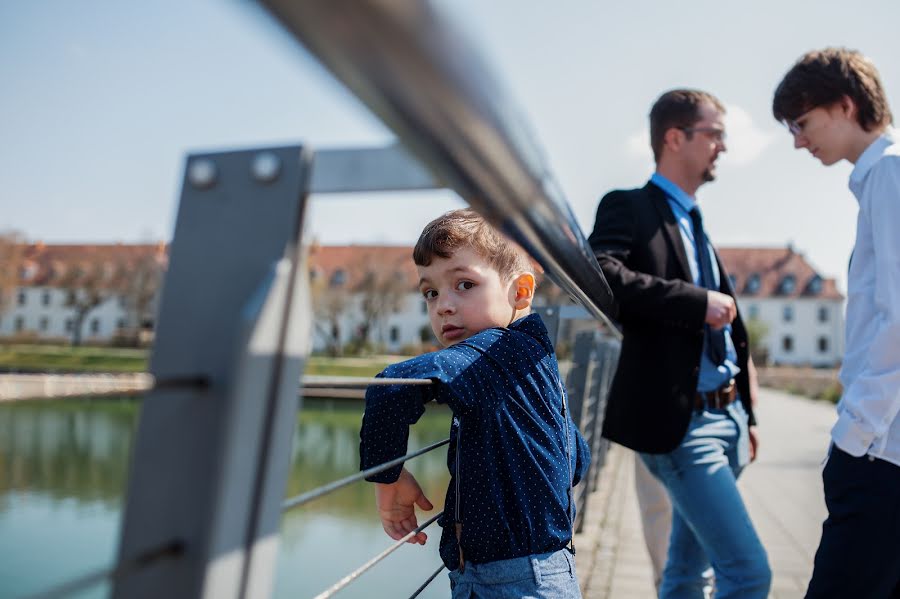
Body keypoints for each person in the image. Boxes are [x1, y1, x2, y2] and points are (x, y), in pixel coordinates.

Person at [588, 89, 771, 598]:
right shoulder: (628, 206)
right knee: (749, 573)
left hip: (727, 420)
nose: (723, 147)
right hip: (682, 425)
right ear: (675, 137)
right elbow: (602, 275)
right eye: (714, 134)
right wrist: (696, 302)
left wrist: (747, 416)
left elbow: (731, 334)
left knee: (689, 574)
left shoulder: (696, 221)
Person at [359, 209, 591, 598]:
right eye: (430, 292)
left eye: (464, 284)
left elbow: (394, 386)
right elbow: (577, 458)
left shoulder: (497, 351)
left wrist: (387, 477)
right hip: (530, 573)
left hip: (516, 583)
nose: (443, 306)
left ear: (520, 292)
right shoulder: (530, 359)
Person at [772, 47, 900, 598]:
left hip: (880, 456)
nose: (799, 141)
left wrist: (854, 437)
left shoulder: (890, 174)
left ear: (844, 105)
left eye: (802, 123)